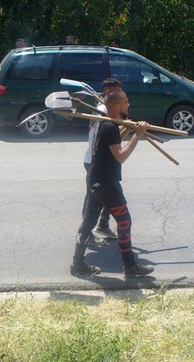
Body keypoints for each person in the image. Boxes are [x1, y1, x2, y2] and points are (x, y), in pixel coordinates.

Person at [72, 90, 154, 278]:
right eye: (126, 102)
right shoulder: (108, 127)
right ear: (117, 106)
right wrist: (137, 136)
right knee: (124, 221)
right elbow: (120, 156)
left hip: (97, 180)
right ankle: (130, 267)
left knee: (88, 223)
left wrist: (130, 129)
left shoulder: (108, 125)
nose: (129, 105)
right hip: (105, 182)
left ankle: (77, 265)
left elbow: (115, 140)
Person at [82, 78, 124, 245]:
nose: (122, 94)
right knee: (95, 199)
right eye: (118, 91)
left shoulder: (106, 108)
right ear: (108, 92)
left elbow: (115, 133)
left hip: (106, 159)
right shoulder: (102, 110)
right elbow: (110, 132)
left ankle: (102, 225)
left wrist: (129, 126)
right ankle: (86, 233)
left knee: (107, 196)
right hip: (96, 160)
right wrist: (131, 129)